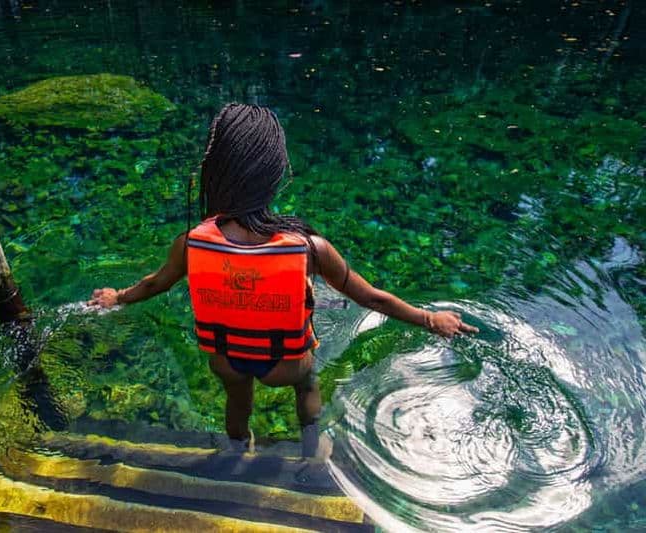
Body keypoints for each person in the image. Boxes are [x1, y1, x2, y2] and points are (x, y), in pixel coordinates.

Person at [88, 103, 478, 457]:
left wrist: (116, 297)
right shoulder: (310, 249)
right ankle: (312, 447)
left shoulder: (190, 244)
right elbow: (372, 299)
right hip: (283, 365)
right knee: (308, 384)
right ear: (276, 177)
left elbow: (155, 284)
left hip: (227, 359)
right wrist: (430, 319)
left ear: (218, 174)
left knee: (237, 404)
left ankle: (238, 450)